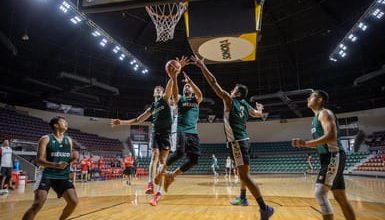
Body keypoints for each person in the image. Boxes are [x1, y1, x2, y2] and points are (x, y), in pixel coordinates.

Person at [191, 55, 274, 219]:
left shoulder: (230, 100)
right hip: (244, 141)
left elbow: (214, 83)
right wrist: (261, 110)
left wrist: (202, 66)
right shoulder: (244, 104)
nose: (231, 90)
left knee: (243, 175)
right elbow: (257, 114)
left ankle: (265, 208)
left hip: (237, 143)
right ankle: (243, 198)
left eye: (234, 89)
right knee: (242, 172)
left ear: (237, 93)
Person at [111, 64, 180, 205]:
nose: (159, 90)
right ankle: (150, 184)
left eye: (161, 89)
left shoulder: (165, 100)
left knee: (162, 163)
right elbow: (138, 120)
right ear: (154, 93)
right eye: (157, 90)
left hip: (167, 134)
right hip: (156, 133)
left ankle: (159, 193)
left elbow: (169, 88)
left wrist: (173, 75)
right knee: (154, 156)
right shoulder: (152, 107)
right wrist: (121, 122)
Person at [292, 90, 356, 220]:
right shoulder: (315, 118)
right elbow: (322, 141)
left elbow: (331, 136)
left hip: (333, 156)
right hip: (328, 157)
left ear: (320, 99)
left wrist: (305, 143)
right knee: (340, 197)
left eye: (311, 96)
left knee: (320, 193)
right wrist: (302, 143)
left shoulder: (324, 113)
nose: (308, 98)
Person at [22, 116, 79, 220]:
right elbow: (39, 160)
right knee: (38, 203)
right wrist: (56, 165)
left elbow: (67, 157)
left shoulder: (69, 140)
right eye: (63, 122)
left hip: (62, 175)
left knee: (74, 201)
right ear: (56, 125)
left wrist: (73, 157)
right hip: (46, 174)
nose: (66, 124)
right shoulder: (45, 139)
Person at [158, 67, 203, 195]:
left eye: (188, 87)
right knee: (179, 152)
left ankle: (171, 175)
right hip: (182, 130)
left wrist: (190, 81)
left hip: (193, 132)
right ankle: (161, 169)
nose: (186, 88)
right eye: (185, 87)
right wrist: (175, 78)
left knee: (194, 160)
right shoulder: (180, 99)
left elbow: (200, 94)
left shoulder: (196, 100)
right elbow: (174, 93)